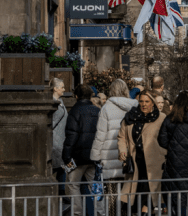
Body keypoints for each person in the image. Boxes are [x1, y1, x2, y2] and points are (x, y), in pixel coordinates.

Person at [91, 80, 138, 216]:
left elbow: (100, 135)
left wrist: (95, 156)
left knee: (111, 197)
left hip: (109, 158)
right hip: (128, 157)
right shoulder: (134, 107)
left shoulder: (106, 108)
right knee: (128, 196)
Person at [117, 89, 167, 215]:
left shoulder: (161, 118)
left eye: (147, 101)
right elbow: (122, 136)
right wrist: (123, 151)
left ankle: (145, 211)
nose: (144, 104)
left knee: (149, 190)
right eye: (141, 101)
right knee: (134, 193)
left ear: (153, 103)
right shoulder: (130, 116)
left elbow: (167, 138)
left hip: (154, 162)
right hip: (135, 161)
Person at [64, 84, 101, 216]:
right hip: (93, 155)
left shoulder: (75, 111)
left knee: (73, 185)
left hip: (78, 156)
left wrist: (67, 157)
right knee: (94, 186)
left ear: (76, 96)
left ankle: (77, 212)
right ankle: (98, 212)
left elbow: (71, 135)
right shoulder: (97, 110)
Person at [51, 78, 72, 216]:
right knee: (58, 168)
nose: (64, 89)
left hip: (60, 141)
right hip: (55, 142)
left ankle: (62, 191)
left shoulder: (60, 102)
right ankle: (60, 192)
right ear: (55, 88)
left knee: (62, 168)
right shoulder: (54, 103)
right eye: (62, 87)